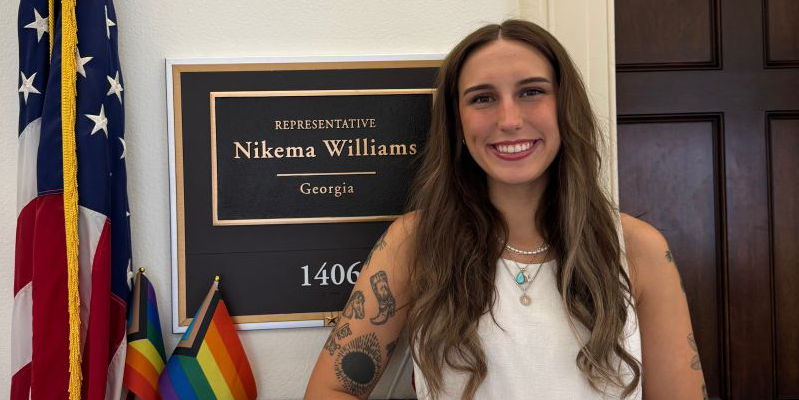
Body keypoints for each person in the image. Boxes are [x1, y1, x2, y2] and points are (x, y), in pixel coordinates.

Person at [304, 19, 707, 400]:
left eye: (532, 91)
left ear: (565, 106)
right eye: (483, 98)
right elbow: (331, 390)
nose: (509, 119)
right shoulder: (415, 242)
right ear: (456, 122)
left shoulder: (640, 248)